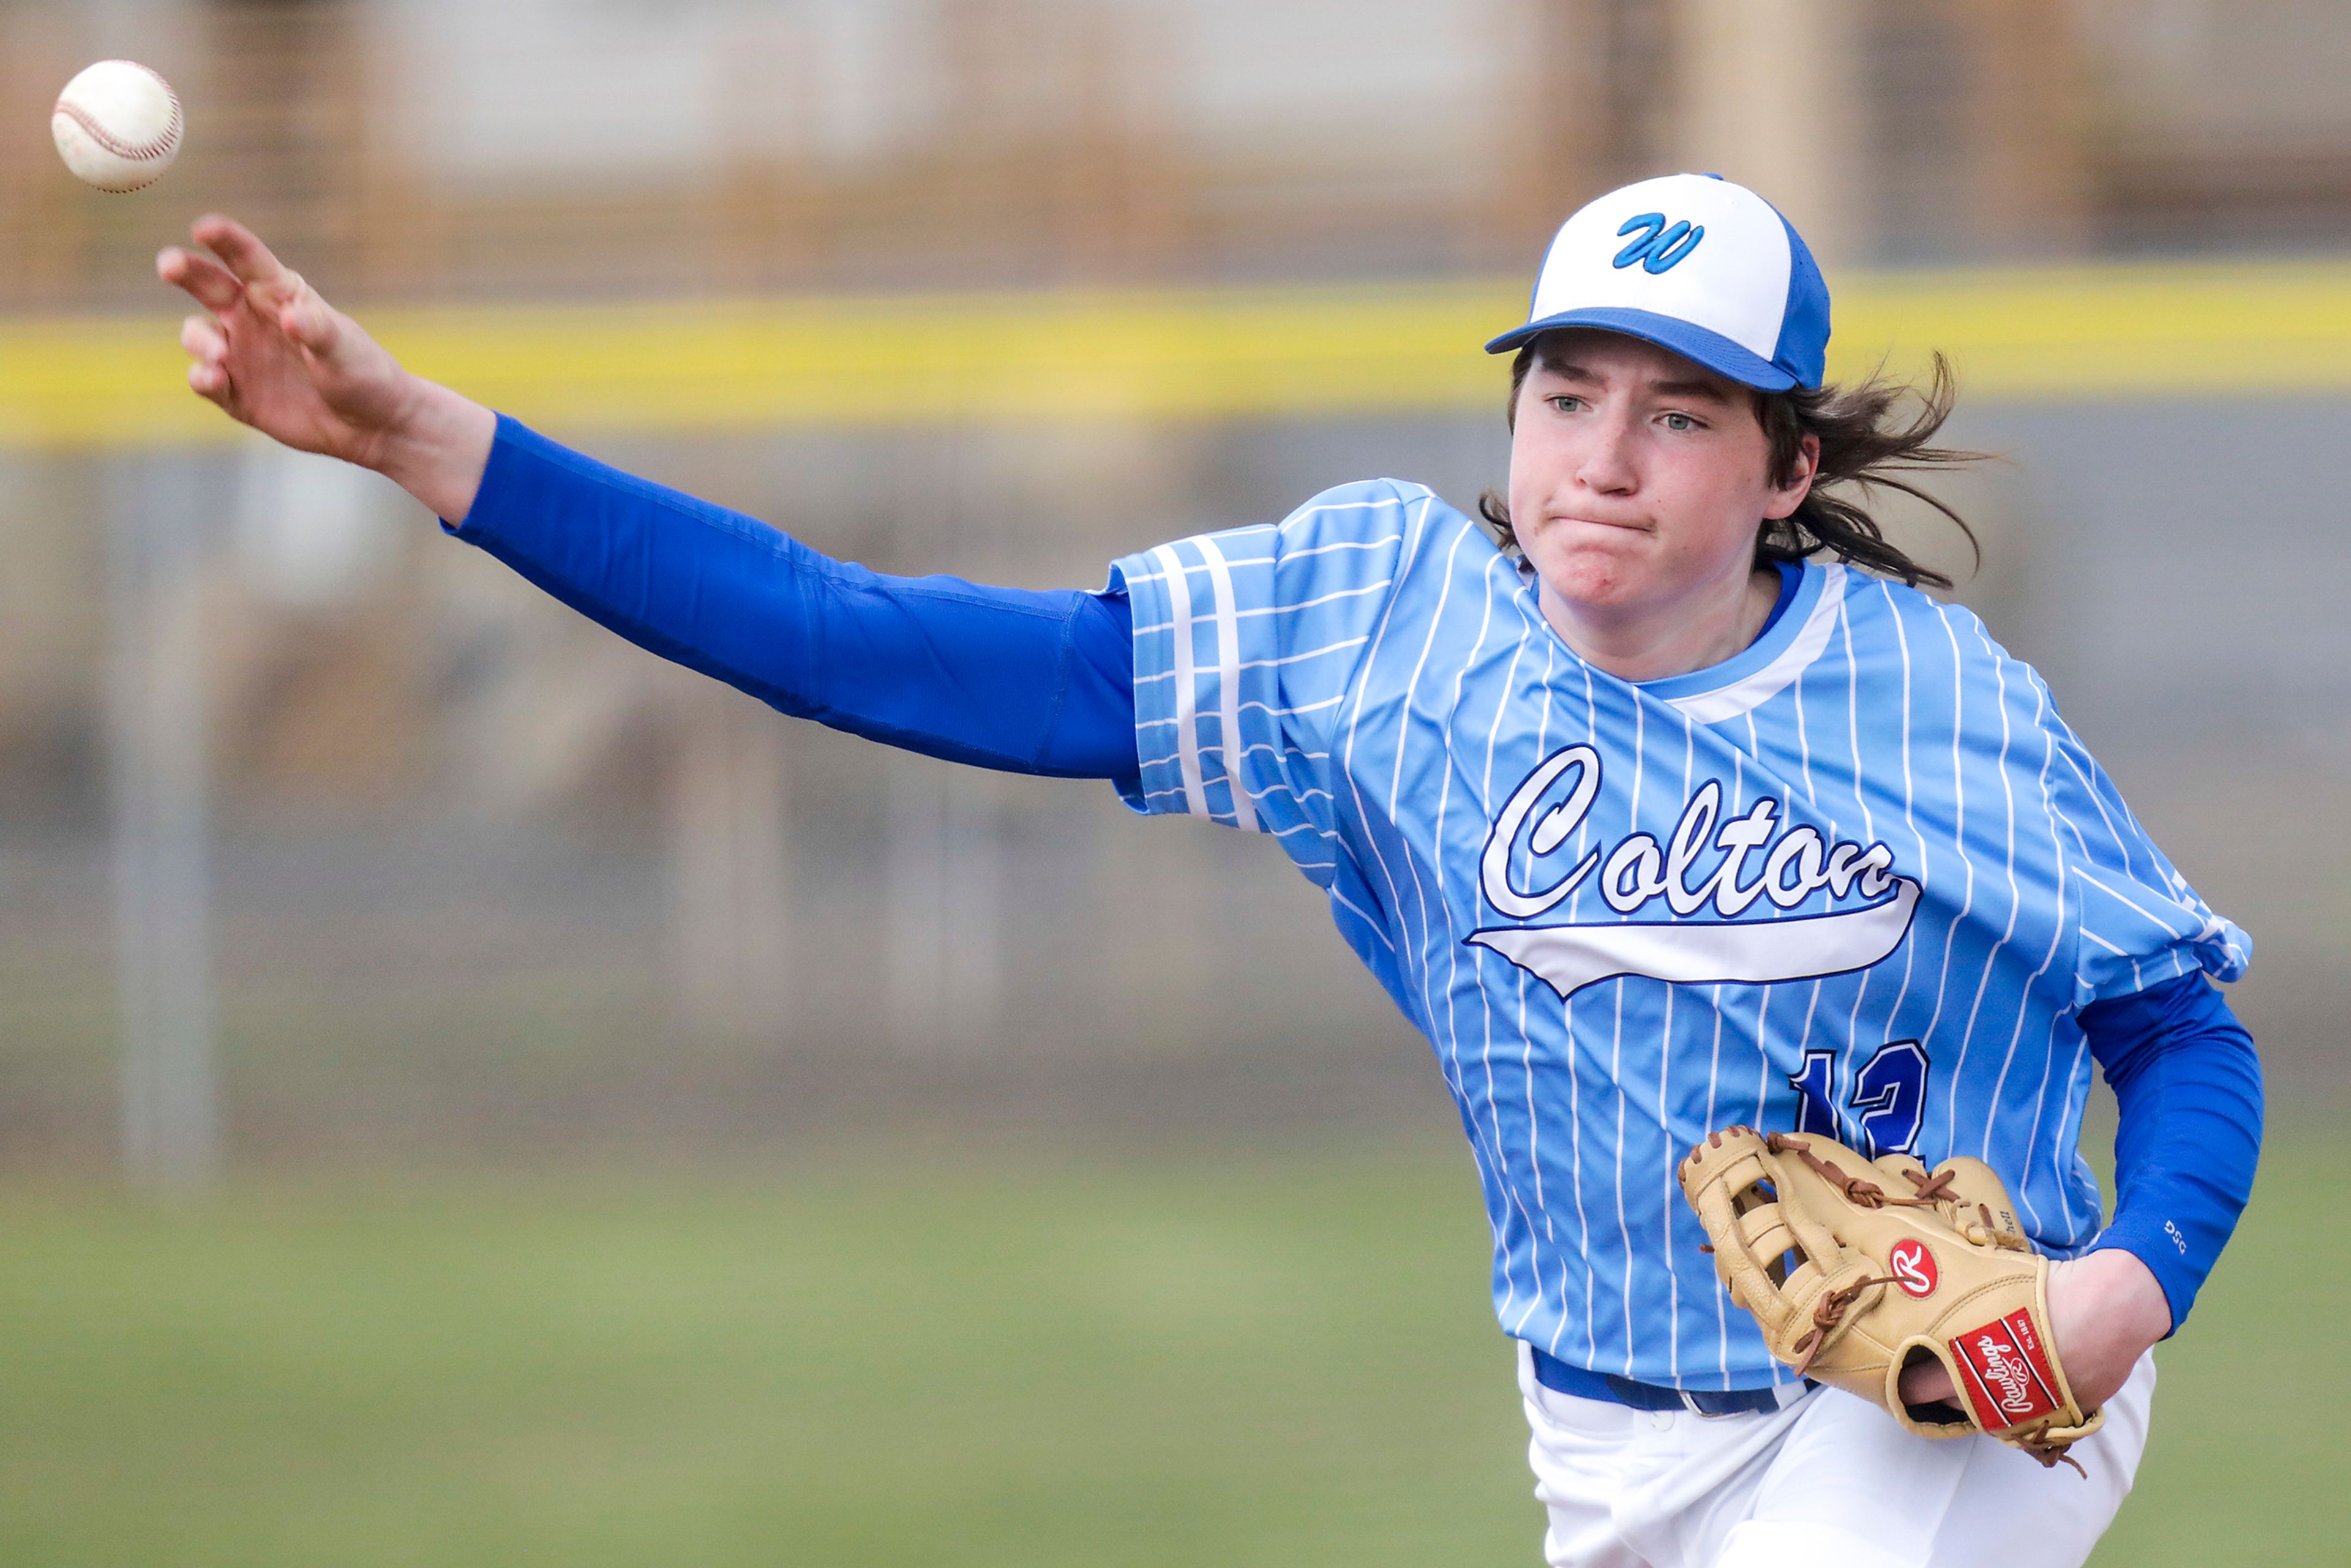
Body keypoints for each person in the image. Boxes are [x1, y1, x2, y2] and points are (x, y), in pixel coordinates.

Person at [159, 171, 2262, 1567]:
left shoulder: (1927, 701)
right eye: (1569, 390)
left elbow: (2180, 1027)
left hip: (1955, 1385)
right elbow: (849, 640)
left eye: (1684, 413)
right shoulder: (1373, 631)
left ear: (1789, 466)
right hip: (1607, 1425)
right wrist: (424, 437)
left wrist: (2123, 1285)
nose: (1604, 456)